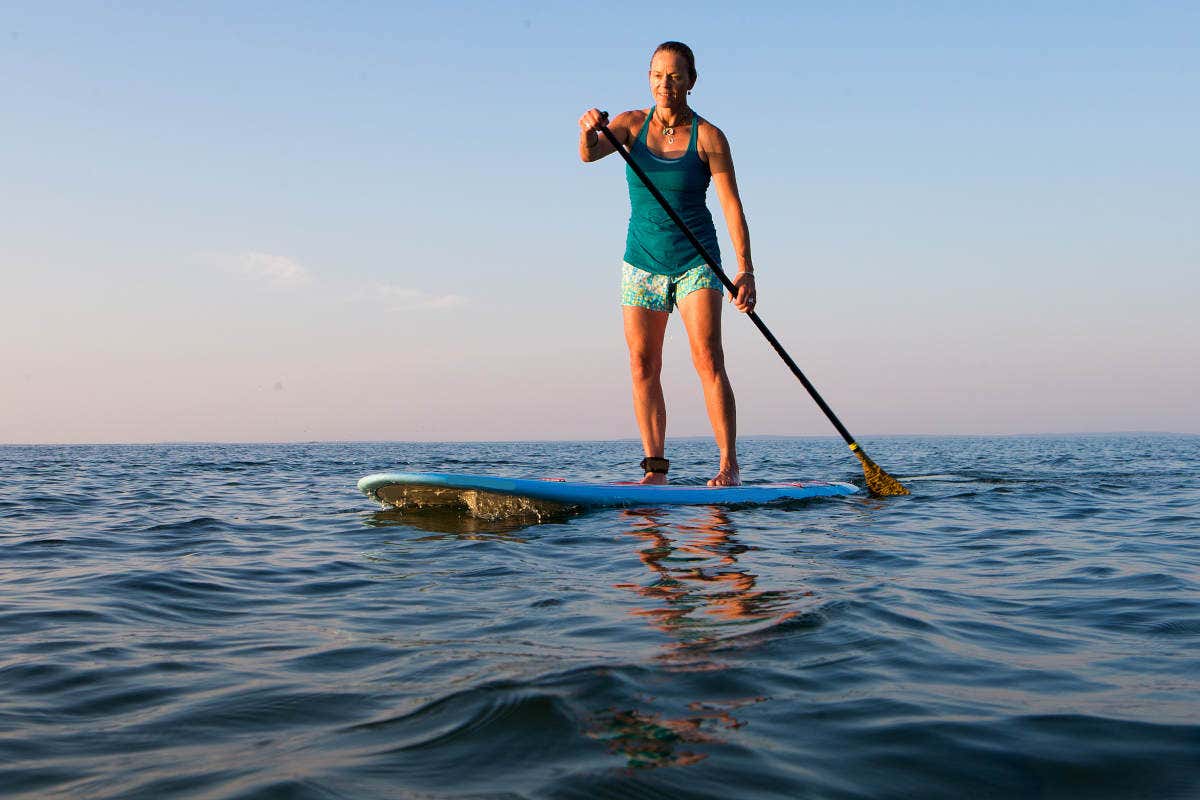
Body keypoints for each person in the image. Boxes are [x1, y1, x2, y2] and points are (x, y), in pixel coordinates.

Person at [578, 41, 757, 487]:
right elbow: (589, 153)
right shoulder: (630, 125)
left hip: (697, 261)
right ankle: (655, 469)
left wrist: (746, 268)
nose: (665, 84)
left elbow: (731, 206)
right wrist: (587, 130)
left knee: (708, 358)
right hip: (641, 261)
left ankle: (728, 465)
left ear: (691, 82)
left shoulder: (710, 136)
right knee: (642, 364)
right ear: (649, 77)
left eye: (675, 76)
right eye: (658, 75)